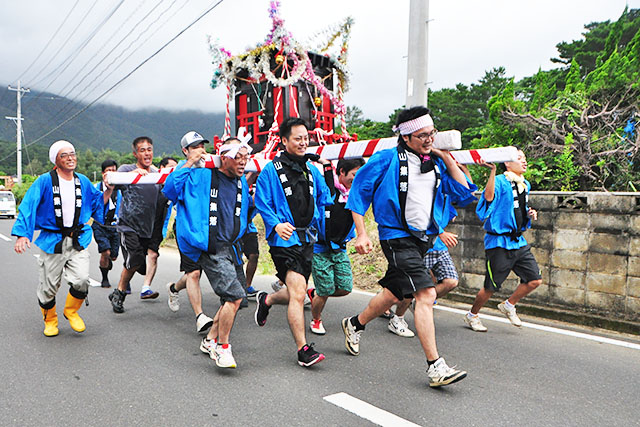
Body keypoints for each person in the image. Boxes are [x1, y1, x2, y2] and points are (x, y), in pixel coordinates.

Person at [342, 106, 477, 388]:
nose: (429, 139)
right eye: (423, 136)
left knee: (393, 294)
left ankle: (354, 323)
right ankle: (435, 367)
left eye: (432, 134)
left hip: (424, 239)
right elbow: (358, 193)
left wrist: (444, 157)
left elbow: (464, 193)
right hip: (395, 237)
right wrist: (362, 234)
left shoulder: (436, 163)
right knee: (425, 294)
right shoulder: (385, 160)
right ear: (406, 137)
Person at [163, 132, 253, 368]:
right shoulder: (197, 173)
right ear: (224, 157)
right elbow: (169, 191)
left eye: (246, 156)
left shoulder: (241, 180)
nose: (243, 161)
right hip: (209, 247)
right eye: (238, 157)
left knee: (236, 299)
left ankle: (210, 338)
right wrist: (191, 163)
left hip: (232, 247)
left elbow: (249, 208)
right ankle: (222, 348)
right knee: (233, 297)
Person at [253, 117, 333, 367]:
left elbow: (323, 198)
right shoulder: (270, 170)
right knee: (299, 294)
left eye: (305, 138)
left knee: (296, 290)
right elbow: (262, 202)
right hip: (283, 241)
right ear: (284, 140)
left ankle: (267, 300)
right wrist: (276, 223)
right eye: (297, 138)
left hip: (307, 238)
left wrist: (319, 223)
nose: (302, 143)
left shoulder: (312, 169)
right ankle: (303, 349)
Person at [12, 140, 112, 336]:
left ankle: (71, 311)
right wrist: (23, 234)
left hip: (78, 239)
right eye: (64, 155)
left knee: (82, 279)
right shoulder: (44, 181)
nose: (70, 158)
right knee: (48, 286)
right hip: (52, 241)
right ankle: (50, 320)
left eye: (72, 153)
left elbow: (97, 202)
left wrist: (108, 189)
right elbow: (28, 205)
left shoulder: (82, 181)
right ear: (55, 160)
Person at [464, 150, 541, 332]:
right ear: (507, 163)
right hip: (498, 243)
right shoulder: (499, 181)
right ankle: (472, 315)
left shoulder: (525, 184)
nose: (524, 162)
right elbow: (488, 198)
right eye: (520, 158)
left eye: (525, 158)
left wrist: (530, 213)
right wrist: (491, 172)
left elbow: (518, 207)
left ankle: (508, 305)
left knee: (534, 280)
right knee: (491, 286)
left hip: (518, 241)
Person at [164, 133, 215, 334]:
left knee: (195, 271)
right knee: (193, 273)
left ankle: (174, 288)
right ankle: (200, 316)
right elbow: (168, 192)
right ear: (185, 151)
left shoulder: (211, 167)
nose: (200, 149)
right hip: (186, 228)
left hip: (209, 228)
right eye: (195, 147)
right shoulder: (180, 169)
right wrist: (188, 164)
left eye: (202, 145)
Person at [308, 158, 364, 335]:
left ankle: (314, 294)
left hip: (340, 248)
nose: (356, 179)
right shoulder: (329, 189)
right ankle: (316, 319)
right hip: (320, 248)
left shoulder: (355, 195)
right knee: (325, 290)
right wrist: (323, 161)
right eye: (354, 174)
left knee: (345, 288)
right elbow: (326, 174)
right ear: (341, 172)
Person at [109, 136, 162, 313]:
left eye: (149, 149)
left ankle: (119, 290)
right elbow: (111, 181)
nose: (147, 153)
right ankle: (120, 293)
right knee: (135, 260)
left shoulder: (156, 172)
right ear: (135, 153)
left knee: (137, 263)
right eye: (142, 150)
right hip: (127, 225)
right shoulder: (127, 169)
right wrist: (133, 175)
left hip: (147, 228)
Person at [141, 156, 178, 298]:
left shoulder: (173, 188)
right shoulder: (150, 181)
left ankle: (146, 287)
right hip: (140, 226)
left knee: (153, 255)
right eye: (171, 168)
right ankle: (123, 285)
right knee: (135, 261)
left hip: (157, 229)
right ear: (162, 168)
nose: (174, 171)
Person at [92, 159, 121, 288]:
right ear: (103, 173)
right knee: (106, 252)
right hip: (100, 225)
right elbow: (96, 205)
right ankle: (104, 278)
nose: (111, 173)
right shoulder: (96, 188)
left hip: (115, 226)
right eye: (109, 171)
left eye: (114, 170)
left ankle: (108, 261)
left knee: (113, 256)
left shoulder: (121, 189)